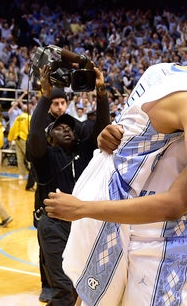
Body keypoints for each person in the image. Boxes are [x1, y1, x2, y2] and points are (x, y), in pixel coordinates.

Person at [44, 46, 187, 305]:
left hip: (167, 247)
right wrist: (111, 135)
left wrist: (84, 208)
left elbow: (175, 204)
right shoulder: (185, 96)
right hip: (128, 230)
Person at [27, 65, 109, 305]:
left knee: (79, 288)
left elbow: (102, 127)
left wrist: (101, 92)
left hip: (83, 224)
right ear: (50, 137)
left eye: (70, 128)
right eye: (59, 127)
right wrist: (44, 96)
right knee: (63, 290)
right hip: (54, 225)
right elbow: (34, 135)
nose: (65, 129)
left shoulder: (84, 153)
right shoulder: (46, 158)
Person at [7, 109, 30, 180]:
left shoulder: (18, 118)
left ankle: (21, 175)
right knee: (29, 157)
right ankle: (33, 175)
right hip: (25, 139)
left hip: (17, 138)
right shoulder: (29, 117)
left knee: (19, 157)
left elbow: (12, 129)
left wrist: (10, 138)